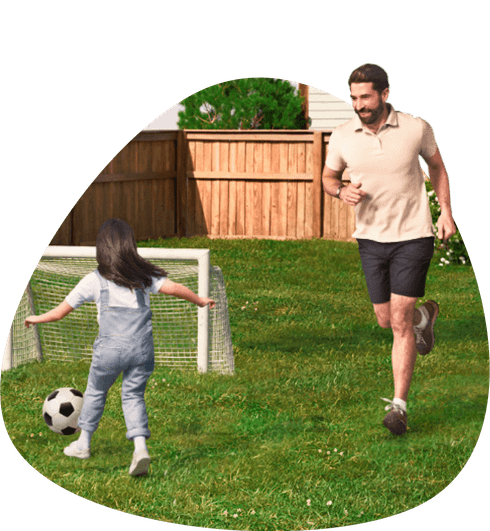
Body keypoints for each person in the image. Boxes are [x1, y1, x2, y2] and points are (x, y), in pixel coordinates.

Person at [322, 63, 457, 435]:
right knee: (386, 319)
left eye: (365, 97)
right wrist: (339, 190)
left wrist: (445, 211)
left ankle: (399, 406)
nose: (359, 105)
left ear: (384, 94)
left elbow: (438, 167)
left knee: (398, 320)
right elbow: (328, 177)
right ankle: (424, 320)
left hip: (413, 235)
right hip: (370, 238)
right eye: (354, 98)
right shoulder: (343, 135)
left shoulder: (416, 128)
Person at [25, 218, 215, 475]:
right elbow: (175, 288)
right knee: (133, 396)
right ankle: (140, 448)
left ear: (101, 249)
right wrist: (200, 300)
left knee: (95, 392)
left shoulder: (94, 281)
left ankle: (83, 444)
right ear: (130, 247)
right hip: (142, 350)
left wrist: (37, 317)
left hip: (110, 352)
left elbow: (60, 313)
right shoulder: (144, 277)